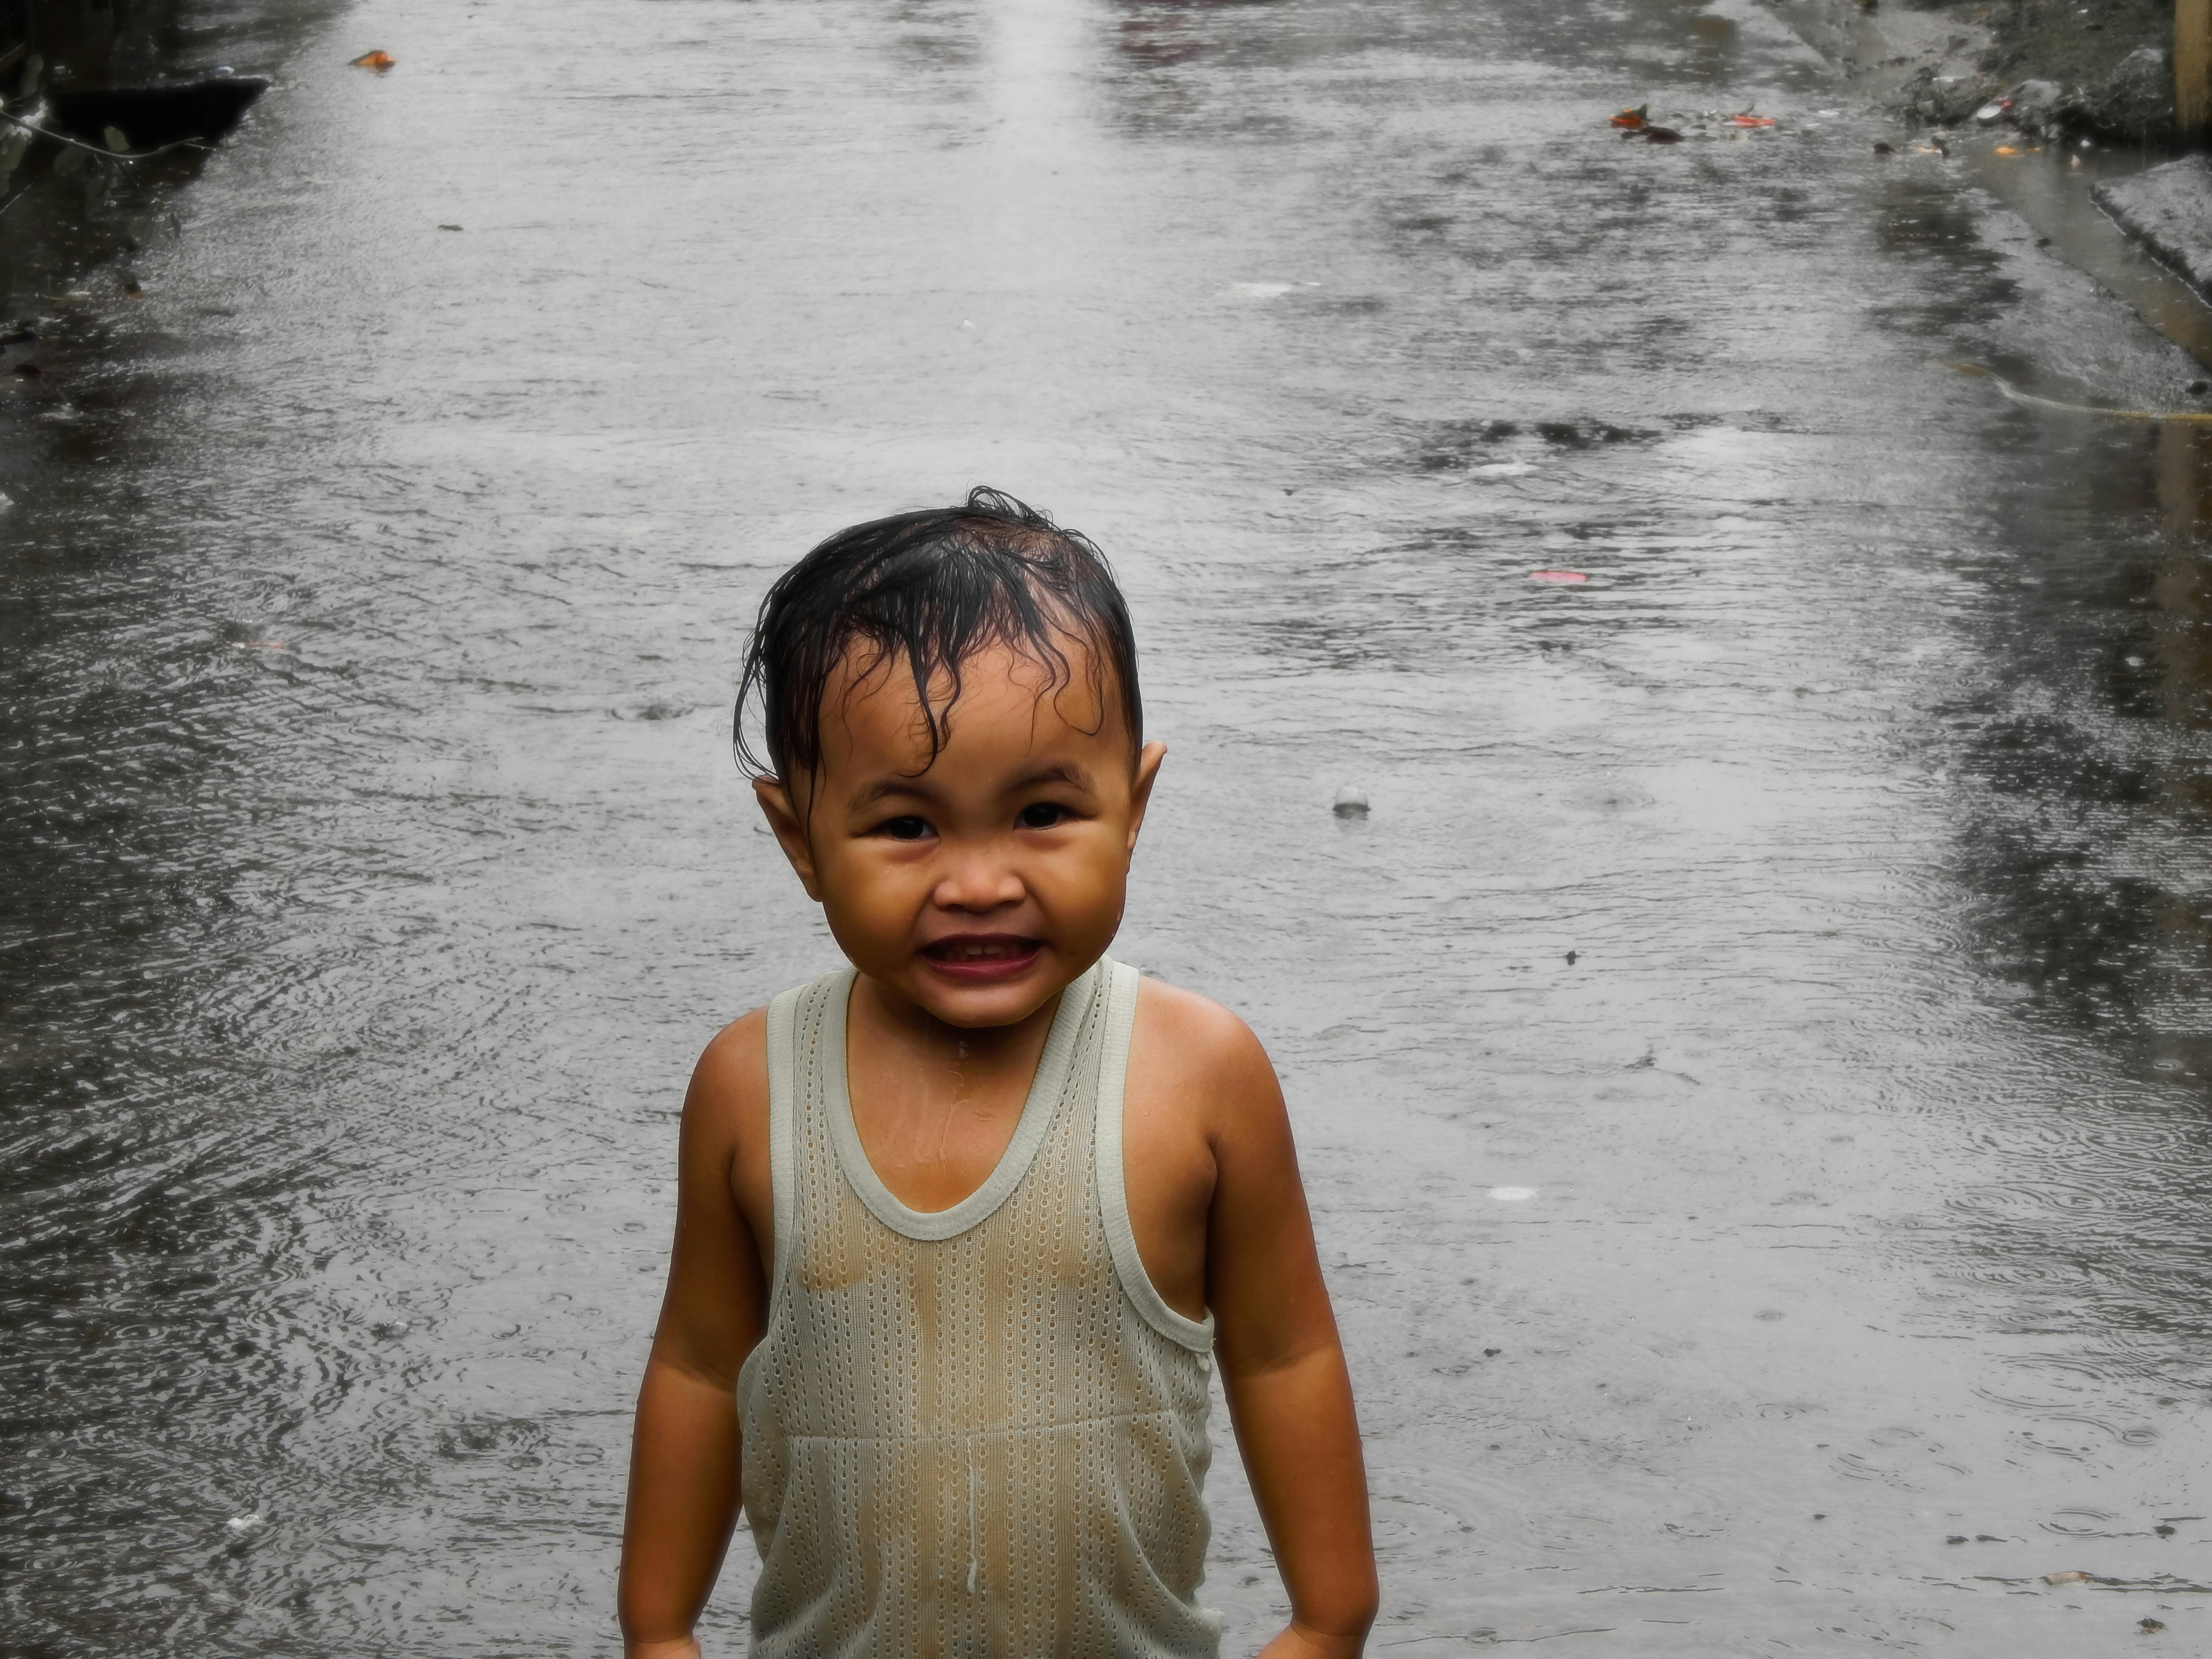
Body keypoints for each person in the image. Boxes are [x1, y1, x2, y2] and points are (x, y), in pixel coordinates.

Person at [617, 488, 1377, 1659]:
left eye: (1041, 813)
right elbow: (702, 1366)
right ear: (797, 838)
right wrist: (659, 1629)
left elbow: (1284, 1353)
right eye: (908, 828)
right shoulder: (750, 1088)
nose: (977, 882)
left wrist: (1329, 1621)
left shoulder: (1200, 1077)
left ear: (1134, 807)